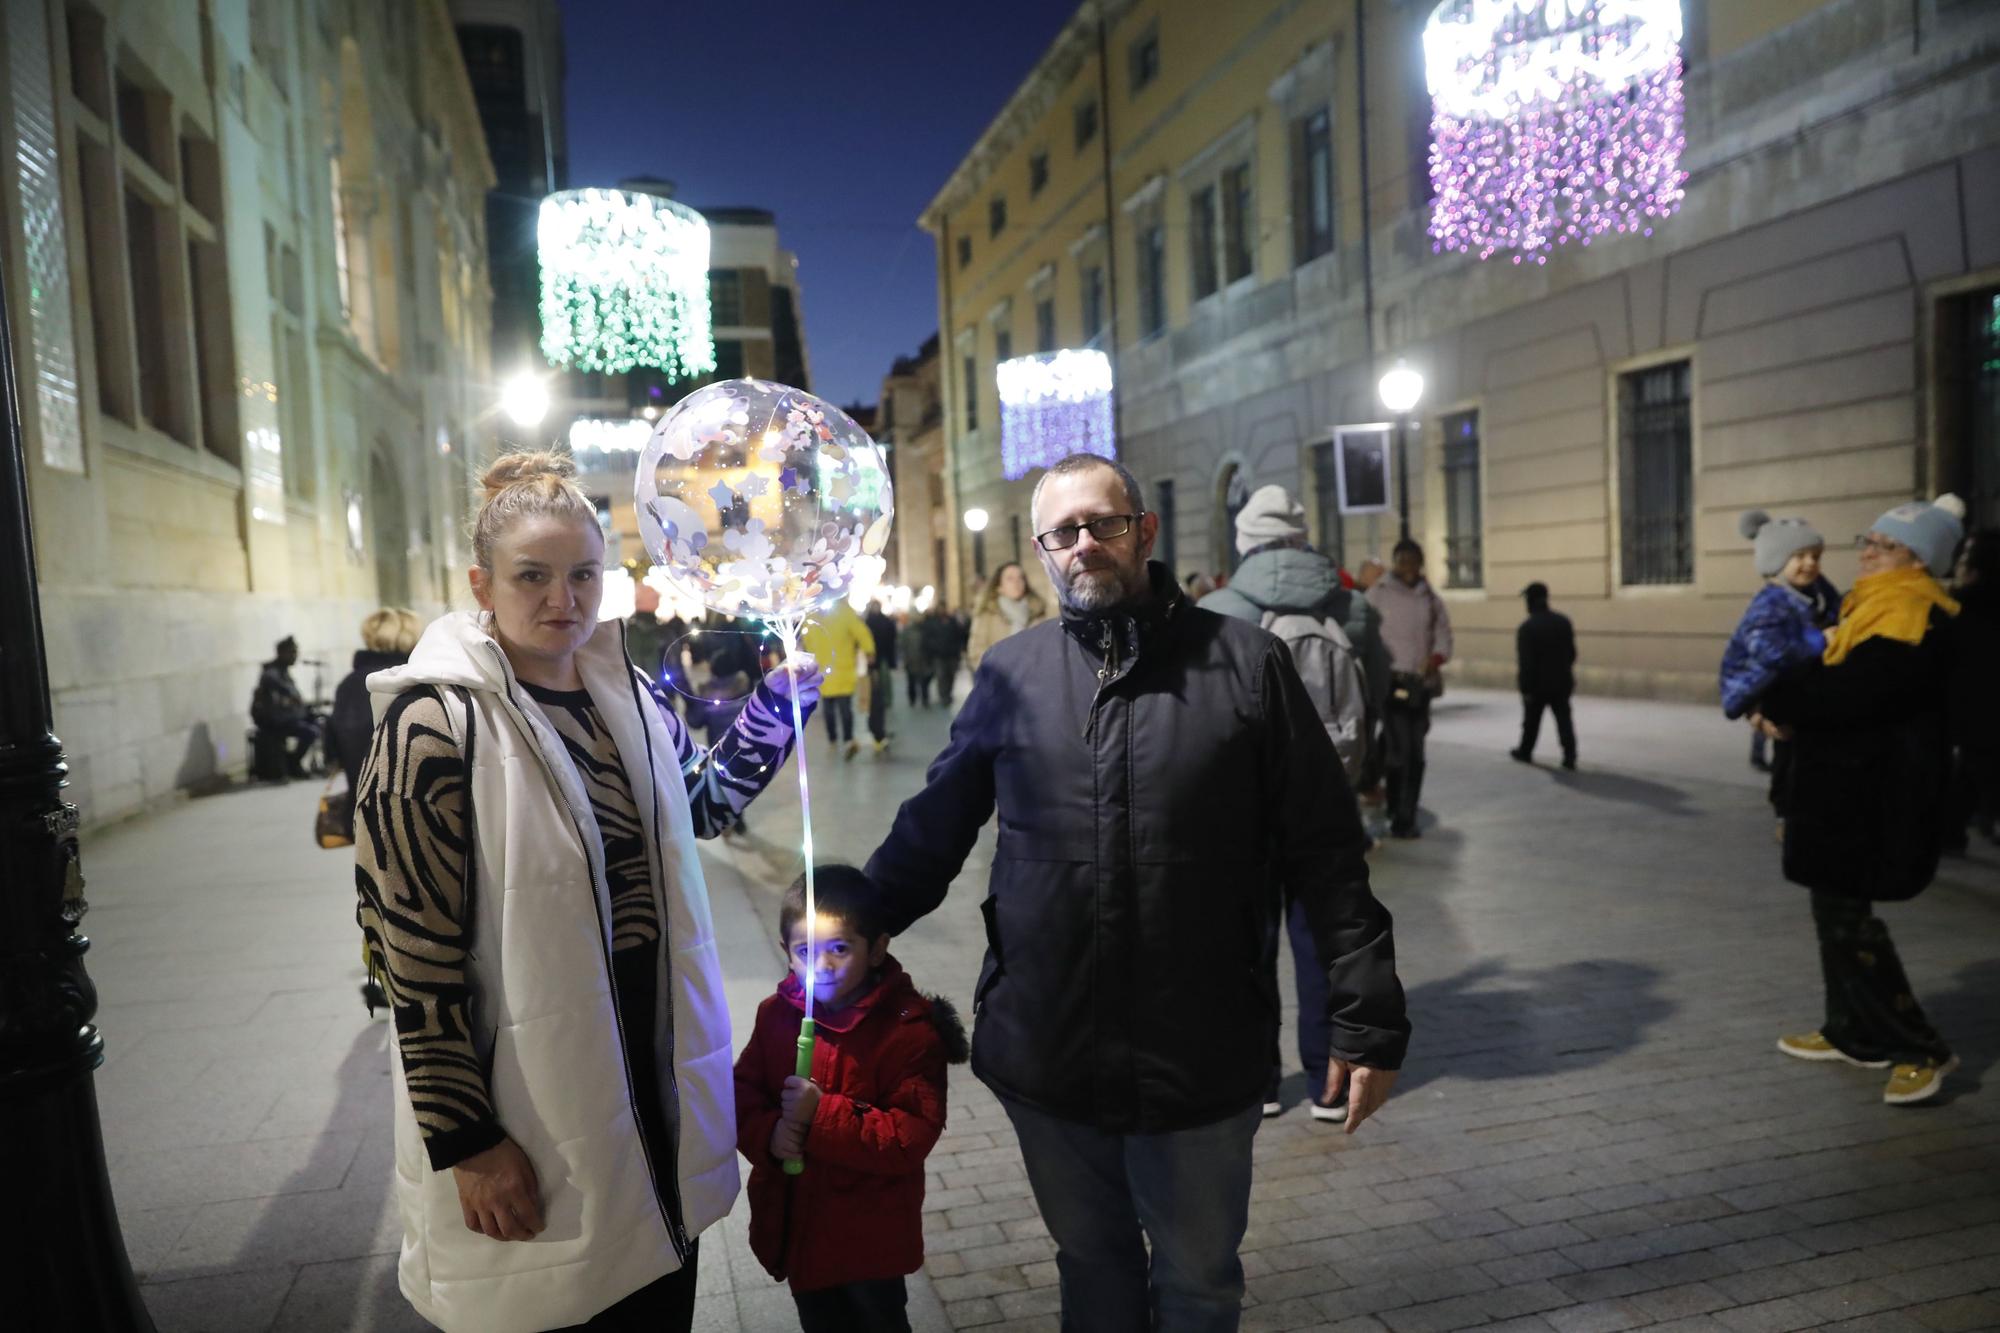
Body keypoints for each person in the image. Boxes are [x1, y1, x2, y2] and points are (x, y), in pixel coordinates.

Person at [863, 452, 1409, 1331]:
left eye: (1103, 525)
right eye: (1063, 532)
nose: (1084, 545)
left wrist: (1367, 1015)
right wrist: (855, 917)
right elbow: (935, 826)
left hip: (1198, 1054)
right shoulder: (1011, 673)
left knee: (1198, 1281)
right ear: (1042, 550)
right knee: (1093, 1266)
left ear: (1144, 533)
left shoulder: (1248, 665)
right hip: (1048, 1050)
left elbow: (1327, 853)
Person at [352, 451, 821, 1333]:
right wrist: (467, 1141)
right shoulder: (433, 724)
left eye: (582, 574)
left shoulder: (631, 698)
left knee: (652, 1291)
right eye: (533, 575)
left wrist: (773, 710)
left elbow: (704, 807)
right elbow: (413, 955)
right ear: (481, 583)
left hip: (650, 1066)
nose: (561, 599)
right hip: (532, 1090)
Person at [1755, 495, 1965, 1107]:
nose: (1866, 552)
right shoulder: (1871, 608)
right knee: (1832, 912)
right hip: (1840, 793)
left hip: (1876, 796)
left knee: (1853, 923)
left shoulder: (1913, 617)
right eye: (1867, 540)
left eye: (1883, 545)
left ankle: (1920, 1047)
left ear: (1919, 561)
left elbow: (1850, 697)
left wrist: (1782, 695)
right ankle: (1850, 1031)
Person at [1198, 484, 1375, 1126]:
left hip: (1244, 809)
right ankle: (1329, 1085)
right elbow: (1373, 698)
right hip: (1328, 803)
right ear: (1303, 537)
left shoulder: (1217, 609)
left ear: (1244, 542)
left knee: (1248, 944)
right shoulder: (1351, 609)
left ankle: (1261, 1084)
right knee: (1323, 939)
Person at [734, 865, 968, 1332]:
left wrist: (819, 1114)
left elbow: (909, 1136)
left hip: (870, 1242)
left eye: (840, 949)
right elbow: (741, 1094)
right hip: (800, 1229)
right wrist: (771, 1135)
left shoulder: (907, 1033)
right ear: (787, 953)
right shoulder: (775, 1016)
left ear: (878, 948)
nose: (821, 967)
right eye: (806, 951)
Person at [326, 607, 421, 1012]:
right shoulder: (414, 680)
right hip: (413, 807)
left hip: (362, 811)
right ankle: (405, 979)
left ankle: (382, 971)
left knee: (376, 899)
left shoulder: (350, 684)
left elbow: (331, 750)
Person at [1720, 511, 1839, 827]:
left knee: (1800, 755)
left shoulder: (1812, 593)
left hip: (1799, 689)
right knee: (1788, 756)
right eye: (1799, 556)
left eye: (1815, 556)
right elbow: (1769, 653)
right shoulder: (1770, 602)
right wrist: (1821, 642)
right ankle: (1786, 816)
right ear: (1776, 561)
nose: (1810, 563)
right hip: (1773, 688)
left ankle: (1797, 812)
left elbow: (1835, 605)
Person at [1365, 540, 1453, 838]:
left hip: (1421, 685)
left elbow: (1443, 633)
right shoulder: (1378, 594)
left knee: (1415, 751)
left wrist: (1437, 657)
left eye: (1413, 561)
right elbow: (1364, 633)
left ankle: (1406, 812)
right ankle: (1398, 811)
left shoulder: (1430, 597)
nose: (1408, 567)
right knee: (1399, 751)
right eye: (1402, 561)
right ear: (1394, 562)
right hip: (1391, 683)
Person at [1945, 527, 2000, 852]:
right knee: (1974, 766)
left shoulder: (1961, 609)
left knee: (1976, 764)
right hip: (1982, 706)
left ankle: (1961, 828)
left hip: (1972, 705)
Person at [1510, 582, 1577, 769]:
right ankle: (1569, 755)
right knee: (1564, 720)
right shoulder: (1563, 622)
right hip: (1561, 682)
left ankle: (1525, 751)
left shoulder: (1527, 628)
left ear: (1531, 601)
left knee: (1531, 722)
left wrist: (1525, 688)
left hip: (1537, 685)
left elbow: (1526, 663)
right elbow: (1572, 654)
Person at [802, 600, 877, 761]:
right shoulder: (845, 612)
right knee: (845, 707)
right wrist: (869, 650)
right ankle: (848, 738)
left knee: (828, 706)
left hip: (823, 670)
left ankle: (832, 738)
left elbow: (806, 639)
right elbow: (861, 632)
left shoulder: (812, 615)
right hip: (843, 668)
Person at [251, 635, 320, 780]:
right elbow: (278, 689)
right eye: (292, 652)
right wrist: (291, 696)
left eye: (296, 652)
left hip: (289, 718)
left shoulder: (284, 672)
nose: (295, 656)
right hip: (275, 722)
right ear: (282, 653)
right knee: (310, 731)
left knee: (321, 721)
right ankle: (293, 764)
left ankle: (324, 762)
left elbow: (295, 700)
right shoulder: (271, 672)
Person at [967, 561, 1049, 671]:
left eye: (1020, 578)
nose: (1017, 582)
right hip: (1001, 680)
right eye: (1010, 579)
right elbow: (976, 653)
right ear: (999, 587)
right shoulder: (987, 614)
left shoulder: (1037, 612)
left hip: (1035, 678)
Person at [864, 601, 901, 754]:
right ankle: (878, 729)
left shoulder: (869, 621)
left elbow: (892, 641)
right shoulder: (881, 621)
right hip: (876, 661)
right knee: (877, 695)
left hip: (876, 661)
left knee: (878, 694)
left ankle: (878, 729)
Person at [624, 582, 670, 685]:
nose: (658, 598)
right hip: (650, 690)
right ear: (640, 600)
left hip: (655, 689)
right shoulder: (635, 630)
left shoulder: (657, 627)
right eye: (653, 597)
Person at [919, 605, 965, 706]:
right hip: (938, 656)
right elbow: (927, 639)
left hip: (951, 655)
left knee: (951, 676)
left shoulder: (952, 621)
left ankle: (948, 693)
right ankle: (944, 696)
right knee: (941, 676)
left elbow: (959, 635)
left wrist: (957, 649)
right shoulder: (932, 623)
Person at [900, 608, 934, 708]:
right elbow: (903, 645)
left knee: (924, 682)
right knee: (911, 682)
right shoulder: (907, 631)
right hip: (911, 659)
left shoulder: (925, 630)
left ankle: (925, 699)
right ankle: (913, 699)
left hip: (923, 659)